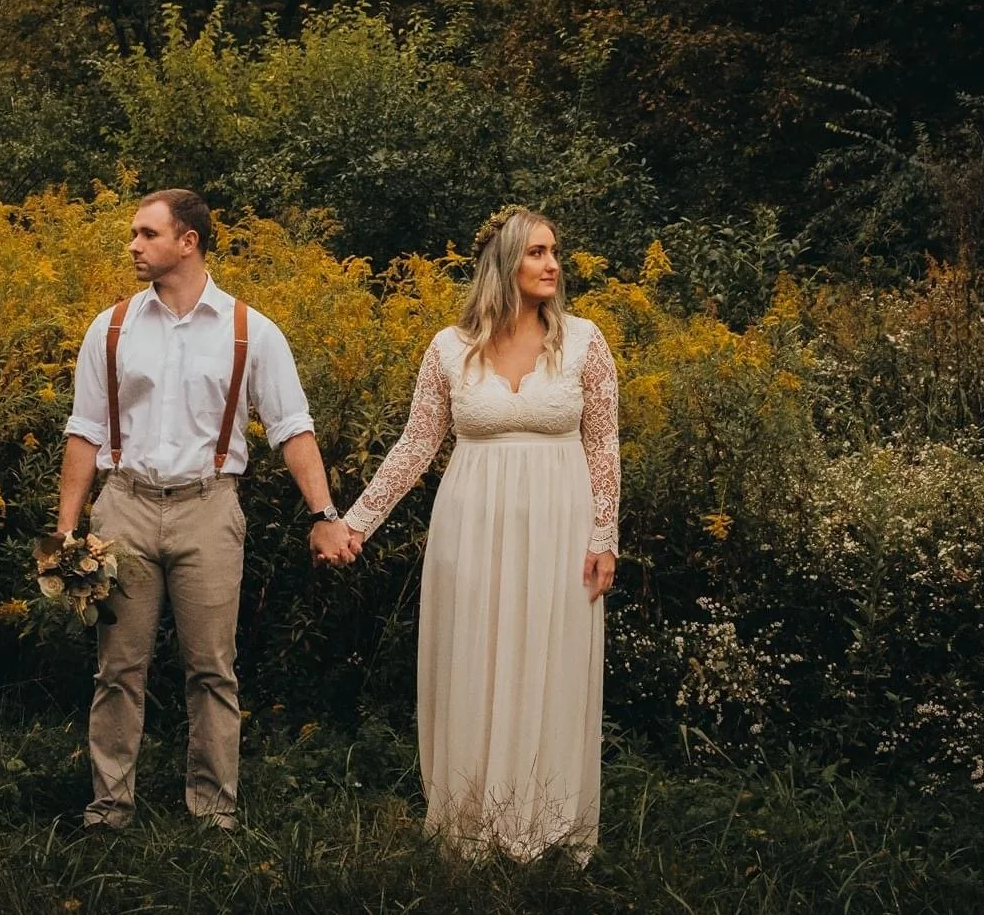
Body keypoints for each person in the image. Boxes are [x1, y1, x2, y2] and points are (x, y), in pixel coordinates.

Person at [56, 188, 357, 832]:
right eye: (133, 234)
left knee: (213, 670)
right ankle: (109, 808)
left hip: (210, 509)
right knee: (117, 668)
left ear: (187, 241)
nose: (133, 245)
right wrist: (66, 529)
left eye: (146, 233)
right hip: (125, 509)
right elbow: (83, 430)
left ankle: (214, 810)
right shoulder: (111, 328)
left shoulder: (251, 331)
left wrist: (324, 512)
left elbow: (292, 428)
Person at [343, 205, 620, 861]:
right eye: (536, 252)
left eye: (555, 251)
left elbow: (604, 442)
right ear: (503, 263)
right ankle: (472, 817)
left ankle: (546, 819)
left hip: (562, 523)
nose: (553, 264)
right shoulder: (448, 348)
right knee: (478, 654)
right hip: (472, 525)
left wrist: (604, 534)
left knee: (551, 658)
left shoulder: (585, 341)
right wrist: (353, 522)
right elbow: (415, 446)